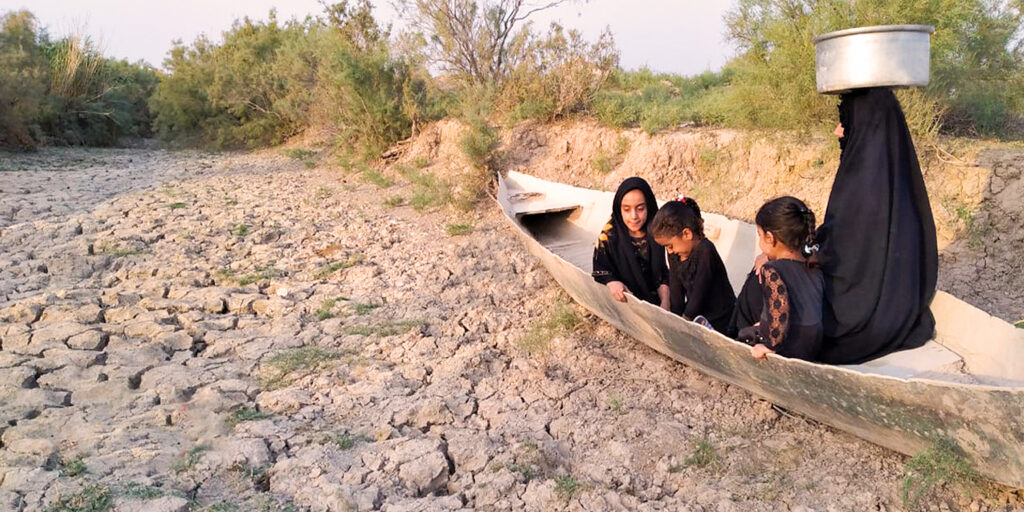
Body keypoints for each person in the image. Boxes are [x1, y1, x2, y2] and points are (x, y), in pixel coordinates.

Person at [815, 87, 938, 364]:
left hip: (857, 315)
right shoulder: (899, 181)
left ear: (867, 126)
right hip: (898, 304)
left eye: (846, 122)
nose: (838, 131)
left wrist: (802, 253)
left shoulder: (861, 188)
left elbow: (840, 257)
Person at [737, 196, 824, 362]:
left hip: (789, 346)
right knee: (759, 326)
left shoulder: (772, 269)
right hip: (812, 346)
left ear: (770, 238)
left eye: (760, 235)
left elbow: (780, 310)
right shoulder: (813, 266)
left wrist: (770, 346)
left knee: (744, 335)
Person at [649, 197, 736, 334]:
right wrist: (675, 317)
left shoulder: (706, 250)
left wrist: (686, 319)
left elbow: (700, 290)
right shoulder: (675, 253)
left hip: (720, 316)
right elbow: (676, 288)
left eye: (670, 246)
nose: (669, 251)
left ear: (687, 234)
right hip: (697, 314)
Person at [592, 177, 670, 309]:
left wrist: (666, 301)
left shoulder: (658, 233)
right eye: (626, 210)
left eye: (640, 208)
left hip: (656, 300)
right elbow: (600, 268)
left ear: (649, 207)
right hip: (624, 301)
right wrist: (612, 282)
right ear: (619, 209)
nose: (633, 216)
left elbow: (663, 273)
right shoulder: (609, 236)